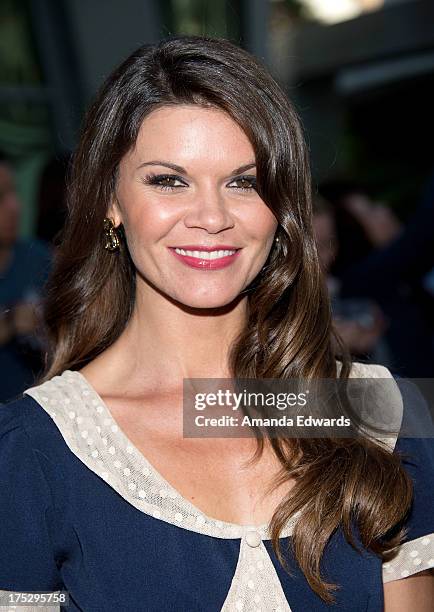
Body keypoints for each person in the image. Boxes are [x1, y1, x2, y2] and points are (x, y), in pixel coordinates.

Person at [0, 36, 433, 611]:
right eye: (168, 180)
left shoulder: (373, 408)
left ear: (280, 209)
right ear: (111, 200)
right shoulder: (34, 450)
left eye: (243, 181)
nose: (211, 217)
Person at [0, 152, 52, 402]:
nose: (15, 206)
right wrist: (10, 322)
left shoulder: (38, 257)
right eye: (0, 198)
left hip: (39, 407)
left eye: (14, 194)